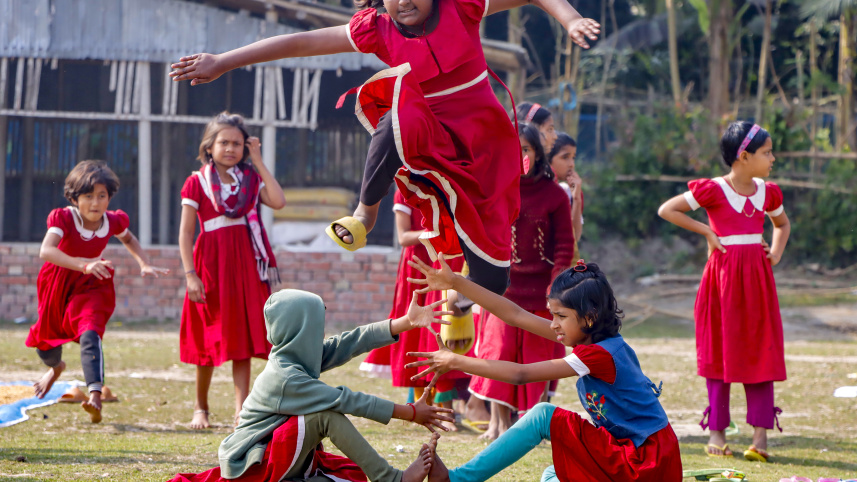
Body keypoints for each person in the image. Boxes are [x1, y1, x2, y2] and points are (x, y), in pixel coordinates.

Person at [169, 0, 600, 315]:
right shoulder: (375, 28)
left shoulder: (463, 7)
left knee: (493, 278)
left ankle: (461, 302)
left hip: (485, 151)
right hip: (431, 140)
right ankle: (365, 212)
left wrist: (571, 19)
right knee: (397, 110)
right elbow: (300, 42)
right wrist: (224, 61)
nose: (404, 1)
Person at [405, 257, 683, 482]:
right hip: (636, 455)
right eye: (552, 315)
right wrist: (456, 282)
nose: (553, 324)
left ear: (590, 317)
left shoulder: (598, 354)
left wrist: (454, 361)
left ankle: (458, 481)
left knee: (543, 416)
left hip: (645, 463)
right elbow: (515, 315)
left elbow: (520, 374)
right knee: (553, 473)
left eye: (561, 317)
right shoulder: (592, 338)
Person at [169, 289, 455, 482]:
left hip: (276, 456)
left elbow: (351, 342)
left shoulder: (296, 356)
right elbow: (343, 399)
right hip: (252, 467)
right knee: (325, 415)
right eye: (317, 325)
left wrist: (406, 322)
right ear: (300, 329)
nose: (323, 331)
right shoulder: (285, 377)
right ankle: (392, 479)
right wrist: (410, 413)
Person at [658, 121, 790, 463]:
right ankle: (716, 430)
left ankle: (760, 435)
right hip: (721, 282)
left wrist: (774, 254)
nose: (773, 158)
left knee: (760, 351)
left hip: (758, 284)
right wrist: (706, 231)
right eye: (767, 152)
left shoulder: (768, 192)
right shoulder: (713, 190)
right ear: (743, 156)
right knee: (719, 350)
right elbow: (667, 210)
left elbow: (782, 224)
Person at [28, 160, 170, 423]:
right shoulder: (63, 218)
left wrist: (144, 262)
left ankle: (94, 393)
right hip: (58, 282)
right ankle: (56, 368)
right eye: (88, 196)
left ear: (109, 197)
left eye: (102, 196)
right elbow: (46, 251)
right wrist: (83, 264)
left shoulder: (113, 220)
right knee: (45, 345)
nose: (95, 203)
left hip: (93, 284)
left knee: (90, 333)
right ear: (74, 198)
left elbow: (128, 238)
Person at [178, 112, 287, 430]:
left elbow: (278, 201)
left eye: (237, 143)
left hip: (246, 265)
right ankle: (201, 407)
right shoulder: (196, 182)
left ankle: (242, 410)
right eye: (223, 142)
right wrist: (190, 274)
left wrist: (258, 160)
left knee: (242, 337)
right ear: (208, 147)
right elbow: (186, 233)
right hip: (210, 263)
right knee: (206, 335)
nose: (230, 148)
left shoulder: (251, 182)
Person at [467, 124, 574, 440]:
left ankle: (530, 426)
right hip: (503, 289)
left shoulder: (555, 195)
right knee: (498, 353)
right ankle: (497, 423)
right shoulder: (495, 189)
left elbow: (564, 246)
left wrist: (556, 287)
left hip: (541, 293)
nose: (520, 156)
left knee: (538, 359)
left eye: (525, 149)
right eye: (513, 150)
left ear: (538, 154)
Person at [359, 189, 477, 431]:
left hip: (445, 263)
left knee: (445, 328)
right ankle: (425, 404)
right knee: (422, 333)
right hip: (418, 266)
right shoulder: (405, 191)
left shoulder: (446, 186)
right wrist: (439, 232)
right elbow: (403, 237)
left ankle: (445, 406)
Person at [548, 132, 584, 258]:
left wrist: (576, 199)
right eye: (565, 157)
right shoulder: (538, 191)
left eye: (573, 157)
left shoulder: (567, 192)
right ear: (548, 159)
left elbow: (575, 237)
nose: (571, 164)